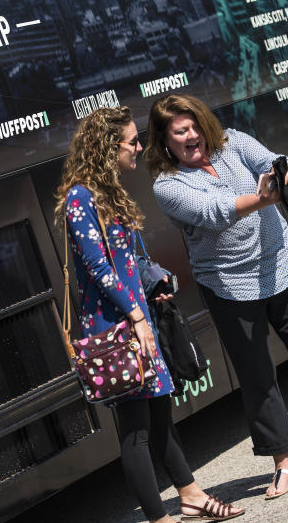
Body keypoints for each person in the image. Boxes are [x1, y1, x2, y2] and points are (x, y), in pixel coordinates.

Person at [145, 94, 288, 500]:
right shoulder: (169, 185)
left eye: (195, 125)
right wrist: (264, 199)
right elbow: (215, 211)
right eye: (181, 132)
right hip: (229, 286)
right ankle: (283, 465)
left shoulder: (232, 141)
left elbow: (270, 158)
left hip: (281, 265)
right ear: (165, 141)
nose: (193, 135)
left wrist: (284, 172)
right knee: (257, 377)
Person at [54, 106, 244, 523]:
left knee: (159, 416)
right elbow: (98, 269)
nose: (139, 147)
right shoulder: (79, 199)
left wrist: (153, 281)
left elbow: (126, 261)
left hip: (139, 318)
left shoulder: (110, 193)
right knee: (136, 429)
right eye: (132, 141)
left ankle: (190, 494)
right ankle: (160, 518)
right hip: (117, 328)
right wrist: (136, 319)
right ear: (108, 146)